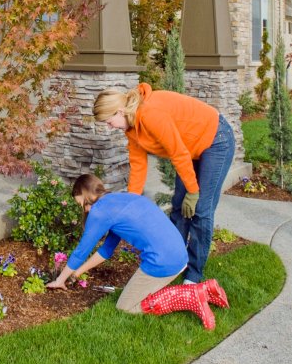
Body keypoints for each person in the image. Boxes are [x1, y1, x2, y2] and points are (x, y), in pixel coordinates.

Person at [93, 83, 235, 285]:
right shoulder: (132, 127)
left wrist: (193, 193)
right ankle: (174, 262)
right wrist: (131, 202)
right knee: (178, 207)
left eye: (109, 121)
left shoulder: (150, 114)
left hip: (215, 139)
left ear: (120, 111)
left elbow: (178, 154)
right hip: (190, 148)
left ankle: (193, 276)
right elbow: (138, 165)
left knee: (201, 210)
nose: (110, 127)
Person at [46, 174, 228, 328]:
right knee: (135, 295)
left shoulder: (99, 211)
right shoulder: (121, 199)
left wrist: (60, 280)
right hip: (179, 255)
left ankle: (189, 295)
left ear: (86, 196)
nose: (85, 210)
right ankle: (205, 289)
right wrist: (77, 273)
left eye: (82, 204)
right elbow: (107, 250)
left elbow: (80, 252)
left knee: (125, 306)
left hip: (162, 261)